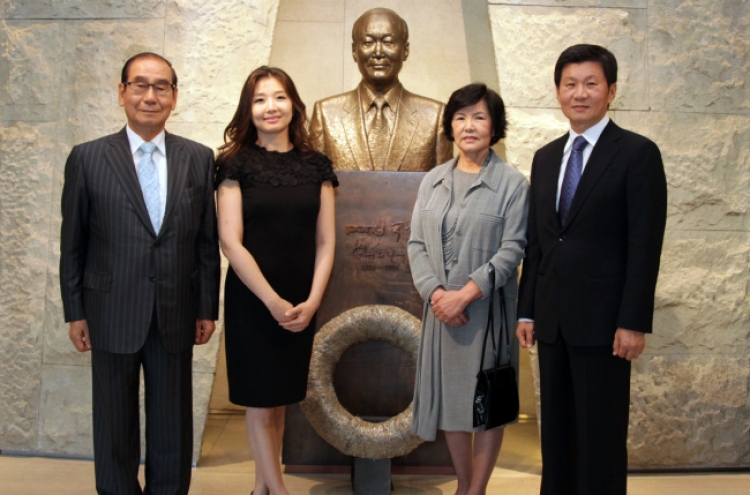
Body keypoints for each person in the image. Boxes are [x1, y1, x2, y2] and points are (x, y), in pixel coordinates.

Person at [60, 52, 220, 495]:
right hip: (109, 310)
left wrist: (207, 307)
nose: (150, 96)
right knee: (114, 425)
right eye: (140, 85)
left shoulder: (198, 158)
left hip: (176, 311)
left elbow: (206, 243)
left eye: (161, 86)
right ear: (121, 93)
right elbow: (72, 243)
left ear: (174, 97)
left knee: (172, 422)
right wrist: (75, 311)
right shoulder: (88, 158)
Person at [516, 44, 667, 495]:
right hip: (554, 320)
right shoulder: (546, 157)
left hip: (606, 324)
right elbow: (538, 241)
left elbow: (646, 245)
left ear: (611, 90)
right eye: (570, 84)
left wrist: (633, 321)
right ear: (558, 91)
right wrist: (527, 311)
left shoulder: (637, 154)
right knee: (557, 434)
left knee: (600, 435)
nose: (579, 93)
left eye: (591, 83)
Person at [215, 66, 337, 495]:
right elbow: (231, 243)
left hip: (302, 302)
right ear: (249, 109)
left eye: (279, 96)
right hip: (255, 299)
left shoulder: (316, 165)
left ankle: (261, 488)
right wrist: (271, 301)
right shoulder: (234, 164)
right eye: (260, 99)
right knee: (260, 401)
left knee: (281, 399)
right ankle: (278, 490)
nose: (271, 106)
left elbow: (326, 242)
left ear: (294, 104)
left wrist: (313, 300)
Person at [408, 83, 529, 495]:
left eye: (478, 116)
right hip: (441, 310)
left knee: (486, 401)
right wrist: (437, 294)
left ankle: (477, 489)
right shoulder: (433, 180)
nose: (468, 125)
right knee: (452, 401)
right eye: (460, 117)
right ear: (450, 127)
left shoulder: (513, 184)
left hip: (486, 311)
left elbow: (513, 248)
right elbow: (416, 244)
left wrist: (466, 293)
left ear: (494, 126)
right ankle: (463, 484)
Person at [309, 7, 452, 171]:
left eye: (388, 42)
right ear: (354, 51)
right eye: (368, 42)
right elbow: (315, 187)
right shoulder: (326, 113)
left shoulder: (435, 116)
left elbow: (443, 188)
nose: (378, 52)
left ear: (405, 50)